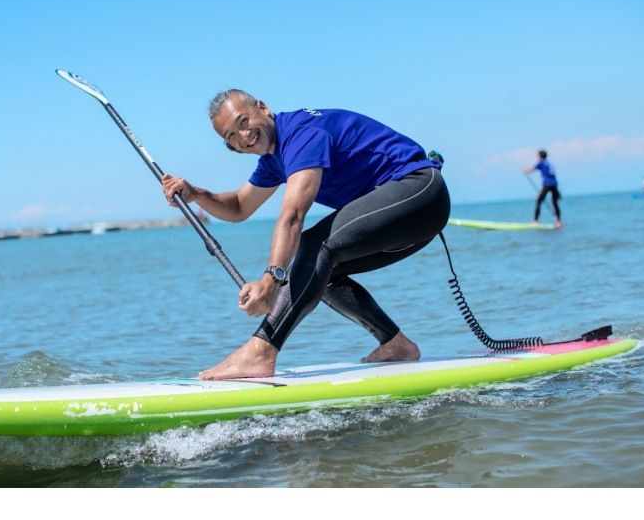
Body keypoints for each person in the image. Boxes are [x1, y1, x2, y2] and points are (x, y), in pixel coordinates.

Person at [161, 90, 450, 380]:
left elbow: (293, 216)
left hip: (420, 193)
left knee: (316, 245)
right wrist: (196, 193)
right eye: (231, 136)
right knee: (321, 271)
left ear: (263, 108)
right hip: (407, 214)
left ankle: (262, 350)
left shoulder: (302, 134)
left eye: (244, 121)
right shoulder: (274, 159)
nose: (243, 136)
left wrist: (271, 280)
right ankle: (396, 345)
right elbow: (238, 207)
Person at [523, 149, 562, 229]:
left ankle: (535, 221)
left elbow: (532, 170)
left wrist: (525, 171)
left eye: (537, 155)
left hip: (547, 184)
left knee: (539, 201)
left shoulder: (541, 162)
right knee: (555, 203)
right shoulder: (549, 163)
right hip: (554, 184)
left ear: (540, 156)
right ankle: (558, 221)